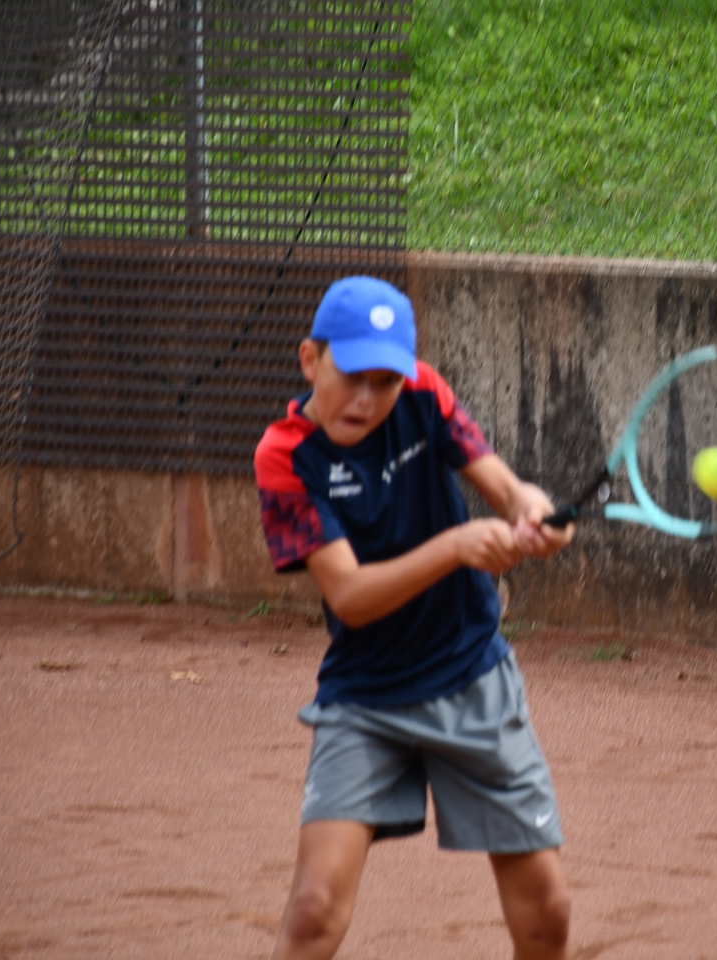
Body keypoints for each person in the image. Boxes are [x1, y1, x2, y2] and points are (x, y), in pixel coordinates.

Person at [253, 275, 575, 960]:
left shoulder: (424, 393)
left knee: (548, 914)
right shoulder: (285, 456)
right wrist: (456, 547)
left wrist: (535, 512)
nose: (367, 399)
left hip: (471, 677)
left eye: (386, 382)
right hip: (365, 698)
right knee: (313, 911)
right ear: (310, 359)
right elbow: (349, 595)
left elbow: (505, 486)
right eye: (352, 377)